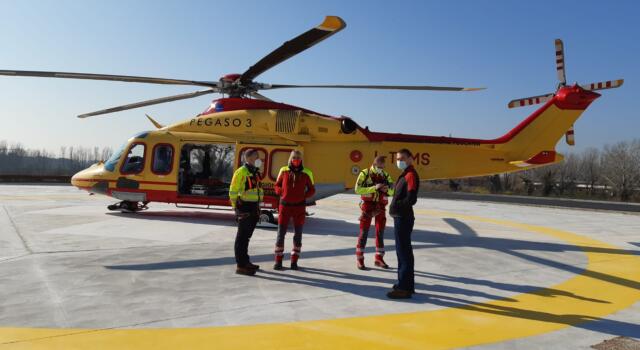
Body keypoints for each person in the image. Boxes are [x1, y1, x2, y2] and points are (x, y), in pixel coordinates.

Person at [273, 150, 315, 270]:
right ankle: (278, 261)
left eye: (298, 158)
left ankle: (294, 262)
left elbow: (312, 189)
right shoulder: (284, 170)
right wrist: (281, 193)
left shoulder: (307, 172)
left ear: (301, 159)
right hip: (284, 206)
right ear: (290, 159)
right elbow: (277, 185)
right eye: (294, 157)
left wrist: (303, 196)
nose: (296, 159)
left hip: (299, 207)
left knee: (298, 235)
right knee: (280, 234)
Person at [387, 148, 420, 299]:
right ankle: (404, 283)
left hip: (403, 217)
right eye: (398, 159)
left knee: (404, 252)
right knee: (402, 252)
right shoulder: (405, 174)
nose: (399, 161)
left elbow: (412, 199)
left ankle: (405, 288)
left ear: (410, 159)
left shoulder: (411, 175)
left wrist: (397, 205)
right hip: (400, 217)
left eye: (402, 159)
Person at [354, 155, 394, 270]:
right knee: (363, 233)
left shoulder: (386, 175)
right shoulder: (364, 174)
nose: (382, 169)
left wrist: (387, 189)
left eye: (383, 167)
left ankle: (379, 258)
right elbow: (357, 189)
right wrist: (374, 188)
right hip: (367, 207)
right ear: (374, 165)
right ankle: (360, 259)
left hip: (380, 207)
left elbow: (392, 192)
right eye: (380, 167)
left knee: (380, 232)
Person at [229, 149, 264, 276]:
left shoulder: (255, 172)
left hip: (253, 207)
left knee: (246, 238)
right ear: (249, 158)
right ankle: (241, 265)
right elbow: (233, 190)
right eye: (256, 156)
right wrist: (235, 208)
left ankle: (246, 261)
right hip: (244, 208)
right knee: (241, 238)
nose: (258, 159)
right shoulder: (241, 172)